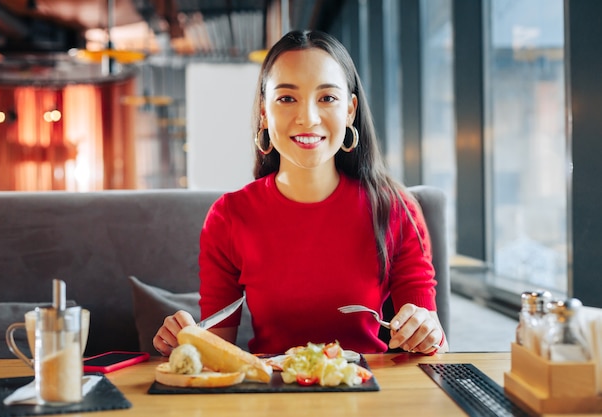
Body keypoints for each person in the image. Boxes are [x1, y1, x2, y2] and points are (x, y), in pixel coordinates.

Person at [153, 29, 448, 356]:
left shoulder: (394, 209)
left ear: (350, 110)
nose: (307, 118)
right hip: (271, 396)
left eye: (327, 98)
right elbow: (217, 350)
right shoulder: (229, 217)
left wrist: (426, 332)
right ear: (264, 112)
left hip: (370, 395)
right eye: (287, 98)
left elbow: (433, 350)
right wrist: (188, 345)